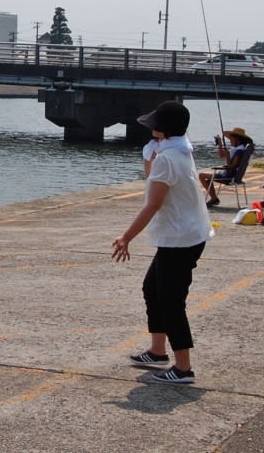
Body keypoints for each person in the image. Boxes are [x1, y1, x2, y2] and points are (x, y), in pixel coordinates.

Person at [112, 100, 212, 385]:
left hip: (180, 239)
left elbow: (153, 203)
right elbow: (155, 182)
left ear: (162, 130)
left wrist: (126, 236)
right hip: (186, 234)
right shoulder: (180, 148)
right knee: (152, 288)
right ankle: (157, 351)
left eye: (155, 125)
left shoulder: (168, 158)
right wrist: (152, 156)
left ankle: (183, 369)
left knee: (171, 302)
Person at [199, 127, 254, 207]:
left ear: (237, 140)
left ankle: (214, 199)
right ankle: (214, 198)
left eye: (231, 139)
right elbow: (221, 155)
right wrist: (220, 146)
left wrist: (228, 156)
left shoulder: (238, 152)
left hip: (228, 176)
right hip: (231, 175)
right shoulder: (240, 149)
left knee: (201, 176)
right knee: (207, 178)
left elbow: (231, 167)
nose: (230, 141)